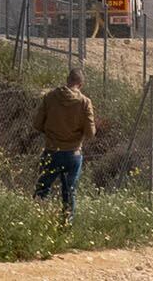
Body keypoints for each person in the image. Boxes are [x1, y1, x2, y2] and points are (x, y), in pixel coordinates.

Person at [33, 67, 96, 220]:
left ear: (67, 80)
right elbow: (90, 133)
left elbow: (37, 124)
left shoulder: (50, 97)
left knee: (42, 189)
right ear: (80, 84)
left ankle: (36, 221)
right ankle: (66, 226)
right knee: (69, 193)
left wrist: (52, 132)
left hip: (52, 151)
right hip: (73, 154)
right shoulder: (85, 103)